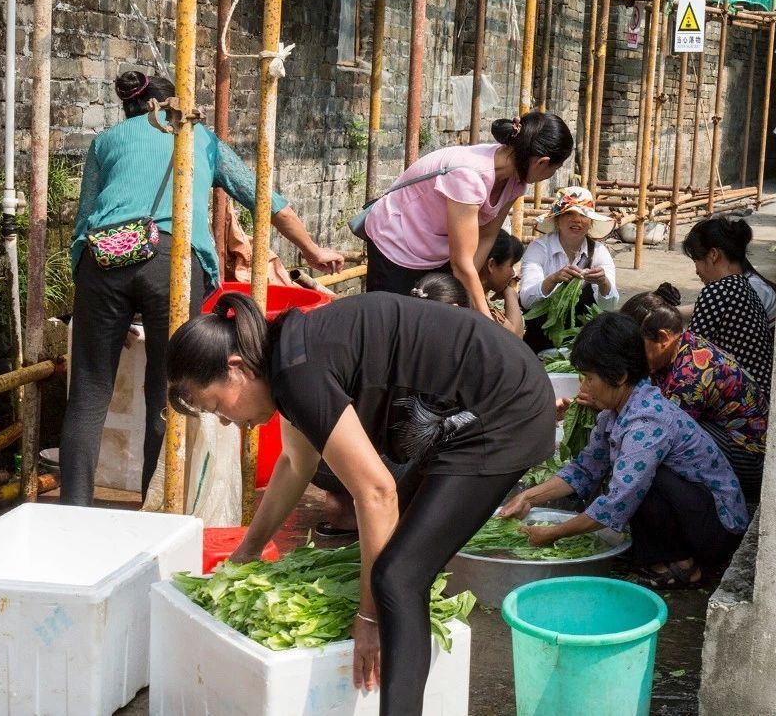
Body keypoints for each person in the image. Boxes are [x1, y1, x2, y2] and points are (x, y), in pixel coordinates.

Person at [166, 291, 553, 714]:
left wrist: (369, 619)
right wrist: (249, 551)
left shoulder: (297, 373)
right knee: (389, 552)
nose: (226, 421)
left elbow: (376, 492)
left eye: (217, 406)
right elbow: (297, 464)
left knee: (397, 578)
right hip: (471, 407)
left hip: (502, 409)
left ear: (236, 369)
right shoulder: (285, 360)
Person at [60, 71, 342, 507]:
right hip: (170, 260)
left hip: (103, 259)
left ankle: (72, 512)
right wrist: (312, 249)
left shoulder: (106, 142)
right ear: (175, 106)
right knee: (167, 388)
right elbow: (262, 196)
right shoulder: (200, 138)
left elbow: (86, 219)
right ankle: (155, 511)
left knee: (89, 392)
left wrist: (95, 289)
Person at [499, 313, 747, 589]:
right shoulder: (615, 411)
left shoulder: (647, 421)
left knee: (641, 482)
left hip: (716, 528)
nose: (583, 388)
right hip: (692, 512)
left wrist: (553, 533)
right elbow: (584, 470)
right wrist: (529, 497)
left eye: (589, 379)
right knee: (634, 480)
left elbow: (618, 501)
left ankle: (683, 565)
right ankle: (664, 558)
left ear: (619, 376)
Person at [361, 113, 573, 314]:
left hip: (437, 248)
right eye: (554, 169)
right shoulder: (469, 176)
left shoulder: (515, 181)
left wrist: (466, 296)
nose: (550, 176)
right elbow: (462, 264)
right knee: (393, 320)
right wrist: (484, 321)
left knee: (440, 317)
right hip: (395, 243)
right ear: (542, 162)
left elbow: (487, 237)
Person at [621, 287, 768, 513]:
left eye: (637, 348)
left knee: (659, 449)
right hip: (721, 435)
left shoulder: (689, 376)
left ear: (662, 338)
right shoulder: (677, 347)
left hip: (748, 459)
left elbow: (657, 433)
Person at [681, 216, 776, 393]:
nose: (696, 271)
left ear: (713, 255)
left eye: (696, 261)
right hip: (758, 396)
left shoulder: (717, 291)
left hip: (743, 401)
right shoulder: (745, 285)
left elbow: (690, 357)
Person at [518, 186, 619, 353]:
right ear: (557, 219)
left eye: (583, 215)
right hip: (539, 340)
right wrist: (552, 279)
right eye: (569, 214)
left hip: (584, 342)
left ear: (590, 222)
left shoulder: (599, 252)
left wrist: (604, 283)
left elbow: (609, 305)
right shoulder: (539, 249)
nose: (577, 220)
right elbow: (527, 299)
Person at [478, 230, 525, 338]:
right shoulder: (477, 304)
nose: (513, 273)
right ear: (491, 264)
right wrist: (511, 294)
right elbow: (515, 339)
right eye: (511, 265)